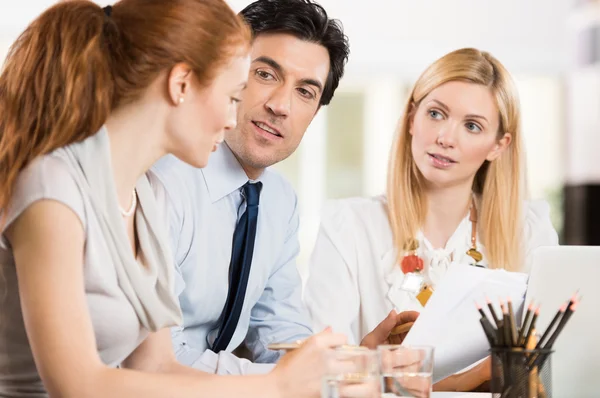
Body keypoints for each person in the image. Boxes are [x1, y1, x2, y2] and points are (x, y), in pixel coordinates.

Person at [0, 1, 348, 397]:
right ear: (181, 85)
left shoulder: (145, 199)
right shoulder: (53, 186)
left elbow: (157, 366)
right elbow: (77, 385)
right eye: (233, 96)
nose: (235, 119)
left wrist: (318, 376)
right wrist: (275, 388)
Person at [304, 48, 559, 391]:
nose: (446, 138)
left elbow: (550, 368)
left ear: (499, 145)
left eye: (471, 125)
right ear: (412, 118)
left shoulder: (529, 229)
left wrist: (385, 376)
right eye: (436, 114)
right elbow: (319, 373)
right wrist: (471, 378)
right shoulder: (349, 225)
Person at [151, 0, 350, 374]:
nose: (281, 106)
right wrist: (287, 380)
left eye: (305, 92)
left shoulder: (280, 200)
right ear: (225, 71)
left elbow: (278, 328)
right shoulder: (162, 182)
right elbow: (159, 359)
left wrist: (344, 364)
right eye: (265, 74)